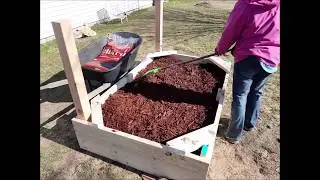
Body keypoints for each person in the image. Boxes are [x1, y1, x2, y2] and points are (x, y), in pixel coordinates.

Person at [214, 0, 280, 144]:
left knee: (240, 95)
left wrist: (220, 49)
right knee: (257, 91)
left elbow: (231, 29)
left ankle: (233, 134)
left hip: (248, 58)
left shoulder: (246, 4)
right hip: (271, 59)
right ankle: (249, 124)